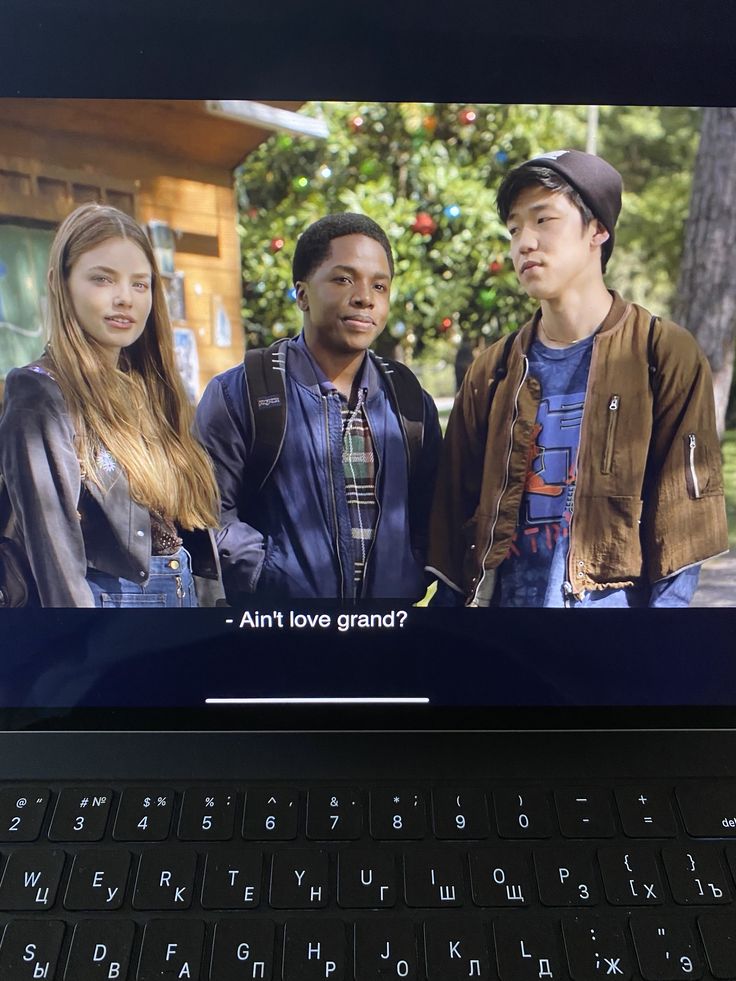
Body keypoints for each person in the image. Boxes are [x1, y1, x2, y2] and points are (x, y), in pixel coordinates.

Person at [427, 149, 728, 608]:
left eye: (543, 220)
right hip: (507, 640)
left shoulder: (661, 353)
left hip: (611, 640)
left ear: (598, 230)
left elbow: (682, 523)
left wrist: (655, 652)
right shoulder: (493, 370)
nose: (523, 242)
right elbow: (453, 523)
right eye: (513, 229)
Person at [196, 212, 441, 602]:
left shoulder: (408, 399)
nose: (364, 297)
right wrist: (268, 577)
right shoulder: (241, 392)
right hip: (281, 633)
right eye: (343, 279)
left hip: (386, 632)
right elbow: (209, 511)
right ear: (302, 294)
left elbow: (434, 508)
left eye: (379, 285)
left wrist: (409, 573)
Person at [0, 203, 221, 607]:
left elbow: (189, 525)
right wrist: (86, 653)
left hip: (181, 600)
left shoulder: (153, 389)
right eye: (103, 279)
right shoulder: (39, 391)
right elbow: (55, 555)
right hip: (111, 610)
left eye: (140, 284)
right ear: (59, 284)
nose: (125, 298)